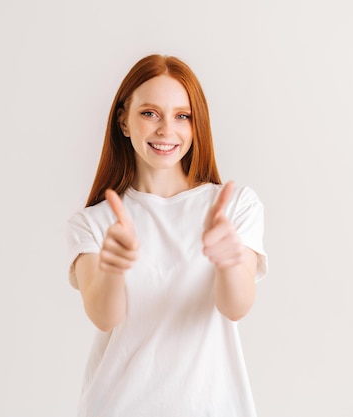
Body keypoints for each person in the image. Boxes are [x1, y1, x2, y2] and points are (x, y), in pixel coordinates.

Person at [66, 54, 268, 417]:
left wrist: (229, 260)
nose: (166, 130)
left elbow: (235, 307)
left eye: (182, 116)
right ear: (124, 122)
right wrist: (113, 269)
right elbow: (103, 316)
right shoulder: (94, 223)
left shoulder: (233, 207)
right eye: (149, 113)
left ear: (196, 125)